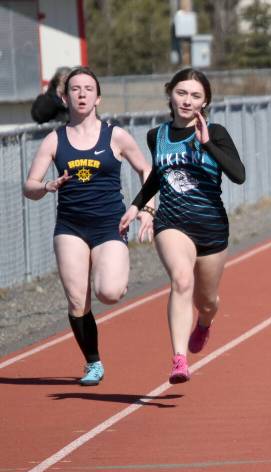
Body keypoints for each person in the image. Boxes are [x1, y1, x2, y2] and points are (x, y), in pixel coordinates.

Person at [22, 66, 154, 385]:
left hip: (110, 225)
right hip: (70, 227)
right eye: (75, 89)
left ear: (98, 98)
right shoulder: (54, 140)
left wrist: (147, 208)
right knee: (77, 300)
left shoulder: (116, 135)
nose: (81, 94)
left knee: (108, 292)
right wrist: (46, 187)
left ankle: (114, 270)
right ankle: (93, 362)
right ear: (65, 98)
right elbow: (29, 186)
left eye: (88, 89)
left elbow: (146, 170)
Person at [119, 68, 246, 384]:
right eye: (181, 93)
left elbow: (239, 174)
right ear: (170, 94)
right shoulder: (156, 136)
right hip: (172, 223)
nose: (187, 101)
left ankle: (204, 323)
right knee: (180, 279)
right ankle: (179, 359)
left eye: (195, 96)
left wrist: (207, 144)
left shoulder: (215, 133)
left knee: (207, 301)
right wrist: (137, 204)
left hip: (212, 228)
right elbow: (157, 177)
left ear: (204, 102)